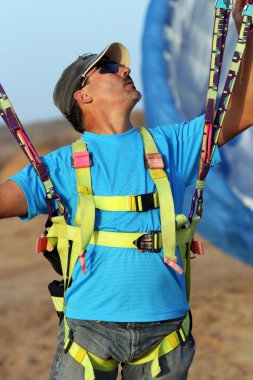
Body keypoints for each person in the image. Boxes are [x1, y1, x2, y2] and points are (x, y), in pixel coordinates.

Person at [0, 1, 252, 379]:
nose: (126, 69)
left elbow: (246, 107)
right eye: (108, 68)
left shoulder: (174, 145)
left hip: (165, 334)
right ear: (82, 96)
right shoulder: (57, 167)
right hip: (88, 334)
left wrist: (244, 30)